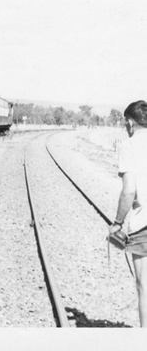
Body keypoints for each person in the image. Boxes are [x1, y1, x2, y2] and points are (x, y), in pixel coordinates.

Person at [109, 100, 147, 327]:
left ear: (130, 123)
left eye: (125, 124)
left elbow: (129, 190)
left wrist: (117, 223)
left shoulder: (129, 145)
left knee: (144, 286)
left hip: (144, 224)